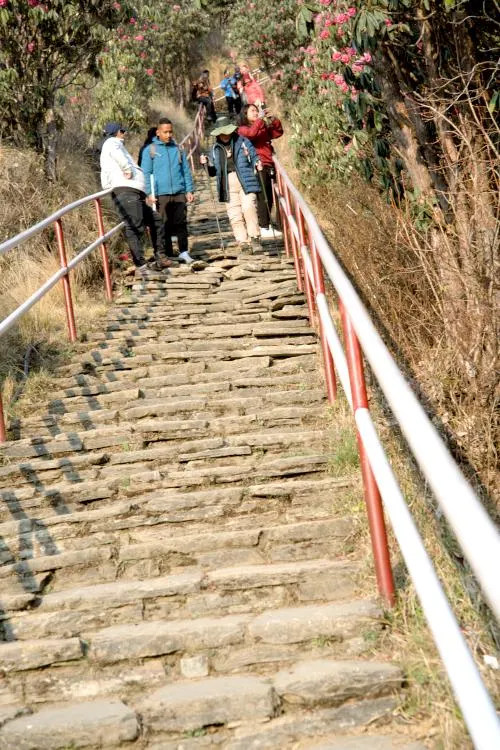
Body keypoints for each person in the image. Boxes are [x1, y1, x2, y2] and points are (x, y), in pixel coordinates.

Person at [200, 116, 263, 254]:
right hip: (227, 183)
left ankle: (255, 238)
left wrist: (257, 163)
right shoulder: (215, 149)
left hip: (246, 180)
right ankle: (243, 242)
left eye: (227, 131)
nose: (225, 135)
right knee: (234, 215)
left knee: (249, 208)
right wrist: (204, 164)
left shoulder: (243, 142)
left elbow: (254, 157)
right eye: (222, 132)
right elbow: (212, 172)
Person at [141, 117, 195, 265]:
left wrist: (189, 190)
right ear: (158, 132)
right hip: (160, 194)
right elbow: (146, 173)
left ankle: (184, 252)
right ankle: (167, 253)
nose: (169, 135)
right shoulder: (150, 150)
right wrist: (149, 193)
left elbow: (185, 170)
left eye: (170, 132)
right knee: (162, 224)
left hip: (179, 192)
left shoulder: (178, 149)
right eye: (165, 132)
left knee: (181, 223)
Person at [99, 122, 151, 277]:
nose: (124, 133)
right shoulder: (111, 143)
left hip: (129, 188)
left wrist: (107, 186)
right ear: (116, 132)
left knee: (143, 223)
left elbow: (105, 171)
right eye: (122, 131)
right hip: (126, 188)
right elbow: (120, 158)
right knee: (134, 226)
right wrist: (127, 170)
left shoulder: (110, 145)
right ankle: (140, 264)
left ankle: (145, 260)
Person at [238, 103, 284, 239]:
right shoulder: (242, 129)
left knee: (269, 196)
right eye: (252, 111)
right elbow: (251, 134)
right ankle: (263, 226)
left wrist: (273, 119)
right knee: (262, 197)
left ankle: (267, 224)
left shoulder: (261, 127)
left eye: (257, 111)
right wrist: (260, 120)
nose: (256, 113)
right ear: (245, 114)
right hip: (257, 164)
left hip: (269, 163)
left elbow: (277, 133)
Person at [138, 127, 171, 269]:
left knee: (159, 220)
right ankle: (162, 251)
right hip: (156, 189)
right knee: (160, 220)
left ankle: (162, 251)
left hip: (151, 189)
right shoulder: (151, 149)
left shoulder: (144, 149)